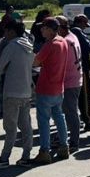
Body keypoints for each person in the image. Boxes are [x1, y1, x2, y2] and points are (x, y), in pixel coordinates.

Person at [0, 19, 34, 168]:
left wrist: (7, 69)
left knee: (10, 127)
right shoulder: (29, 46)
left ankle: (4, 158)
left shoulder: (12, 46)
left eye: (6, 31)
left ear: (12, 31)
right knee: (26, 125)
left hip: (12, 91)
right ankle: (26, 156)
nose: (5, 34)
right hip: (26, 91)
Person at [31, 18, 70, 163]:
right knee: (59, 117)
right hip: (59, 87)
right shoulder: (63, 41)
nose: (41, 30)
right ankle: (64, 146)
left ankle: (44, 151)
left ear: (50, 29)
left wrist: (34, 55)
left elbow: (35, 61)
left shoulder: (50, 44)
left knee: (44, 121)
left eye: (43, 28)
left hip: (46, 87)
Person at [56, 16, 85, 152]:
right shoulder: (73, 36)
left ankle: (74, 141)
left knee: (70, 112)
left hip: (69, 81)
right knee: (67, 111)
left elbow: (59, 63)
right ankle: (63, 137)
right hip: (75, 78)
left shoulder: (65, 41)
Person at [71, 14, 90, 131]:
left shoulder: (72, 32)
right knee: (85, 96)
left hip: (76, 68)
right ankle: (88, 119)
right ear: (80, 22)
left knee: (81, 96)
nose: (85, 28)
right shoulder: (77, 31)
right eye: (84, 25)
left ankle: (85, 118)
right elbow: (88, 46)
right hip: (82, 67)